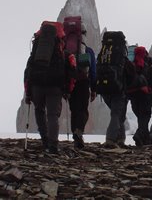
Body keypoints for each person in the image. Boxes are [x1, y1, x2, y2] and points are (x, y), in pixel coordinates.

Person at [24, 21, 77, 154]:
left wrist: (28, 92)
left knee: (39, 111)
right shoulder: (63, 53)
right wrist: (68, 90)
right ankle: (53, 145)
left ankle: (45, 140)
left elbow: (28, 71)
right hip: (55, 87)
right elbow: (71, 72)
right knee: (53, 115)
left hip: (37, 86)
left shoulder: (37, 50)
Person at [96, 31, 134, 149]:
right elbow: (132, 75)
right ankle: (110, 140)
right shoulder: (122, 60)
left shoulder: (103, 56)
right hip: (118, 89)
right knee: (116, 114)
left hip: (104, 89)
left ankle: (120, 139)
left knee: (119, 115)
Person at [67, 23, 97, 149]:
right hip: (84, 82)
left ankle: (75, 134)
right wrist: (94, 88)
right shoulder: (88, 50)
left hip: (71, 82)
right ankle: (79, 131)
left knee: (74, 110)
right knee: (83, 110)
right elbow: (93, 71)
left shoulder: (66, 50)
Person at [127, 46, 152, 147]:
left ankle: (144, 141)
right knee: (145, 117)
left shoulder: (131, 67)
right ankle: (138, 135)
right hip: (146, 97)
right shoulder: (150, 69)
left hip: (133, 97)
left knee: (141, 118)